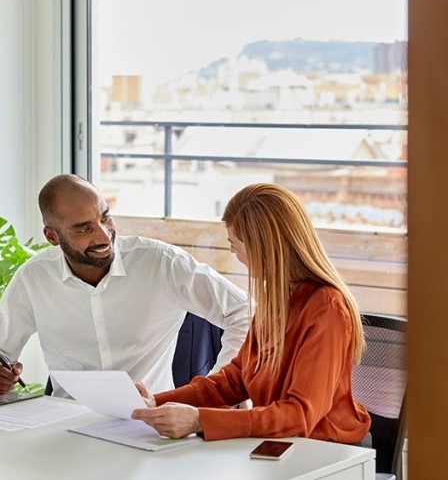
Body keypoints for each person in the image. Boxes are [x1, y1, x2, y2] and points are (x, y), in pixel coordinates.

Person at [0, 174, 251, 397]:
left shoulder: (160, 263)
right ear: (52, 237)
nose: (104, 236)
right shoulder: (35, 277)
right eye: (84, 228)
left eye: (104, 217)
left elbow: (245, 313)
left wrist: (215, 386)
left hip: (149, 424)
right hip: (67, 428)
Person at [132, 183, 371, 444]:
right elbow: (235, 381)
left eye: (236, 245)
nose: (235, 255)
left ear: (266, 248)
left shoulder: (327, 309)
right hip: (279, 442)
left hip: (325, 449)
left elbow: (300, 415)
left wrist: (201, 420)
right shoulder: (277, 298)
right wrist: (157, 401)